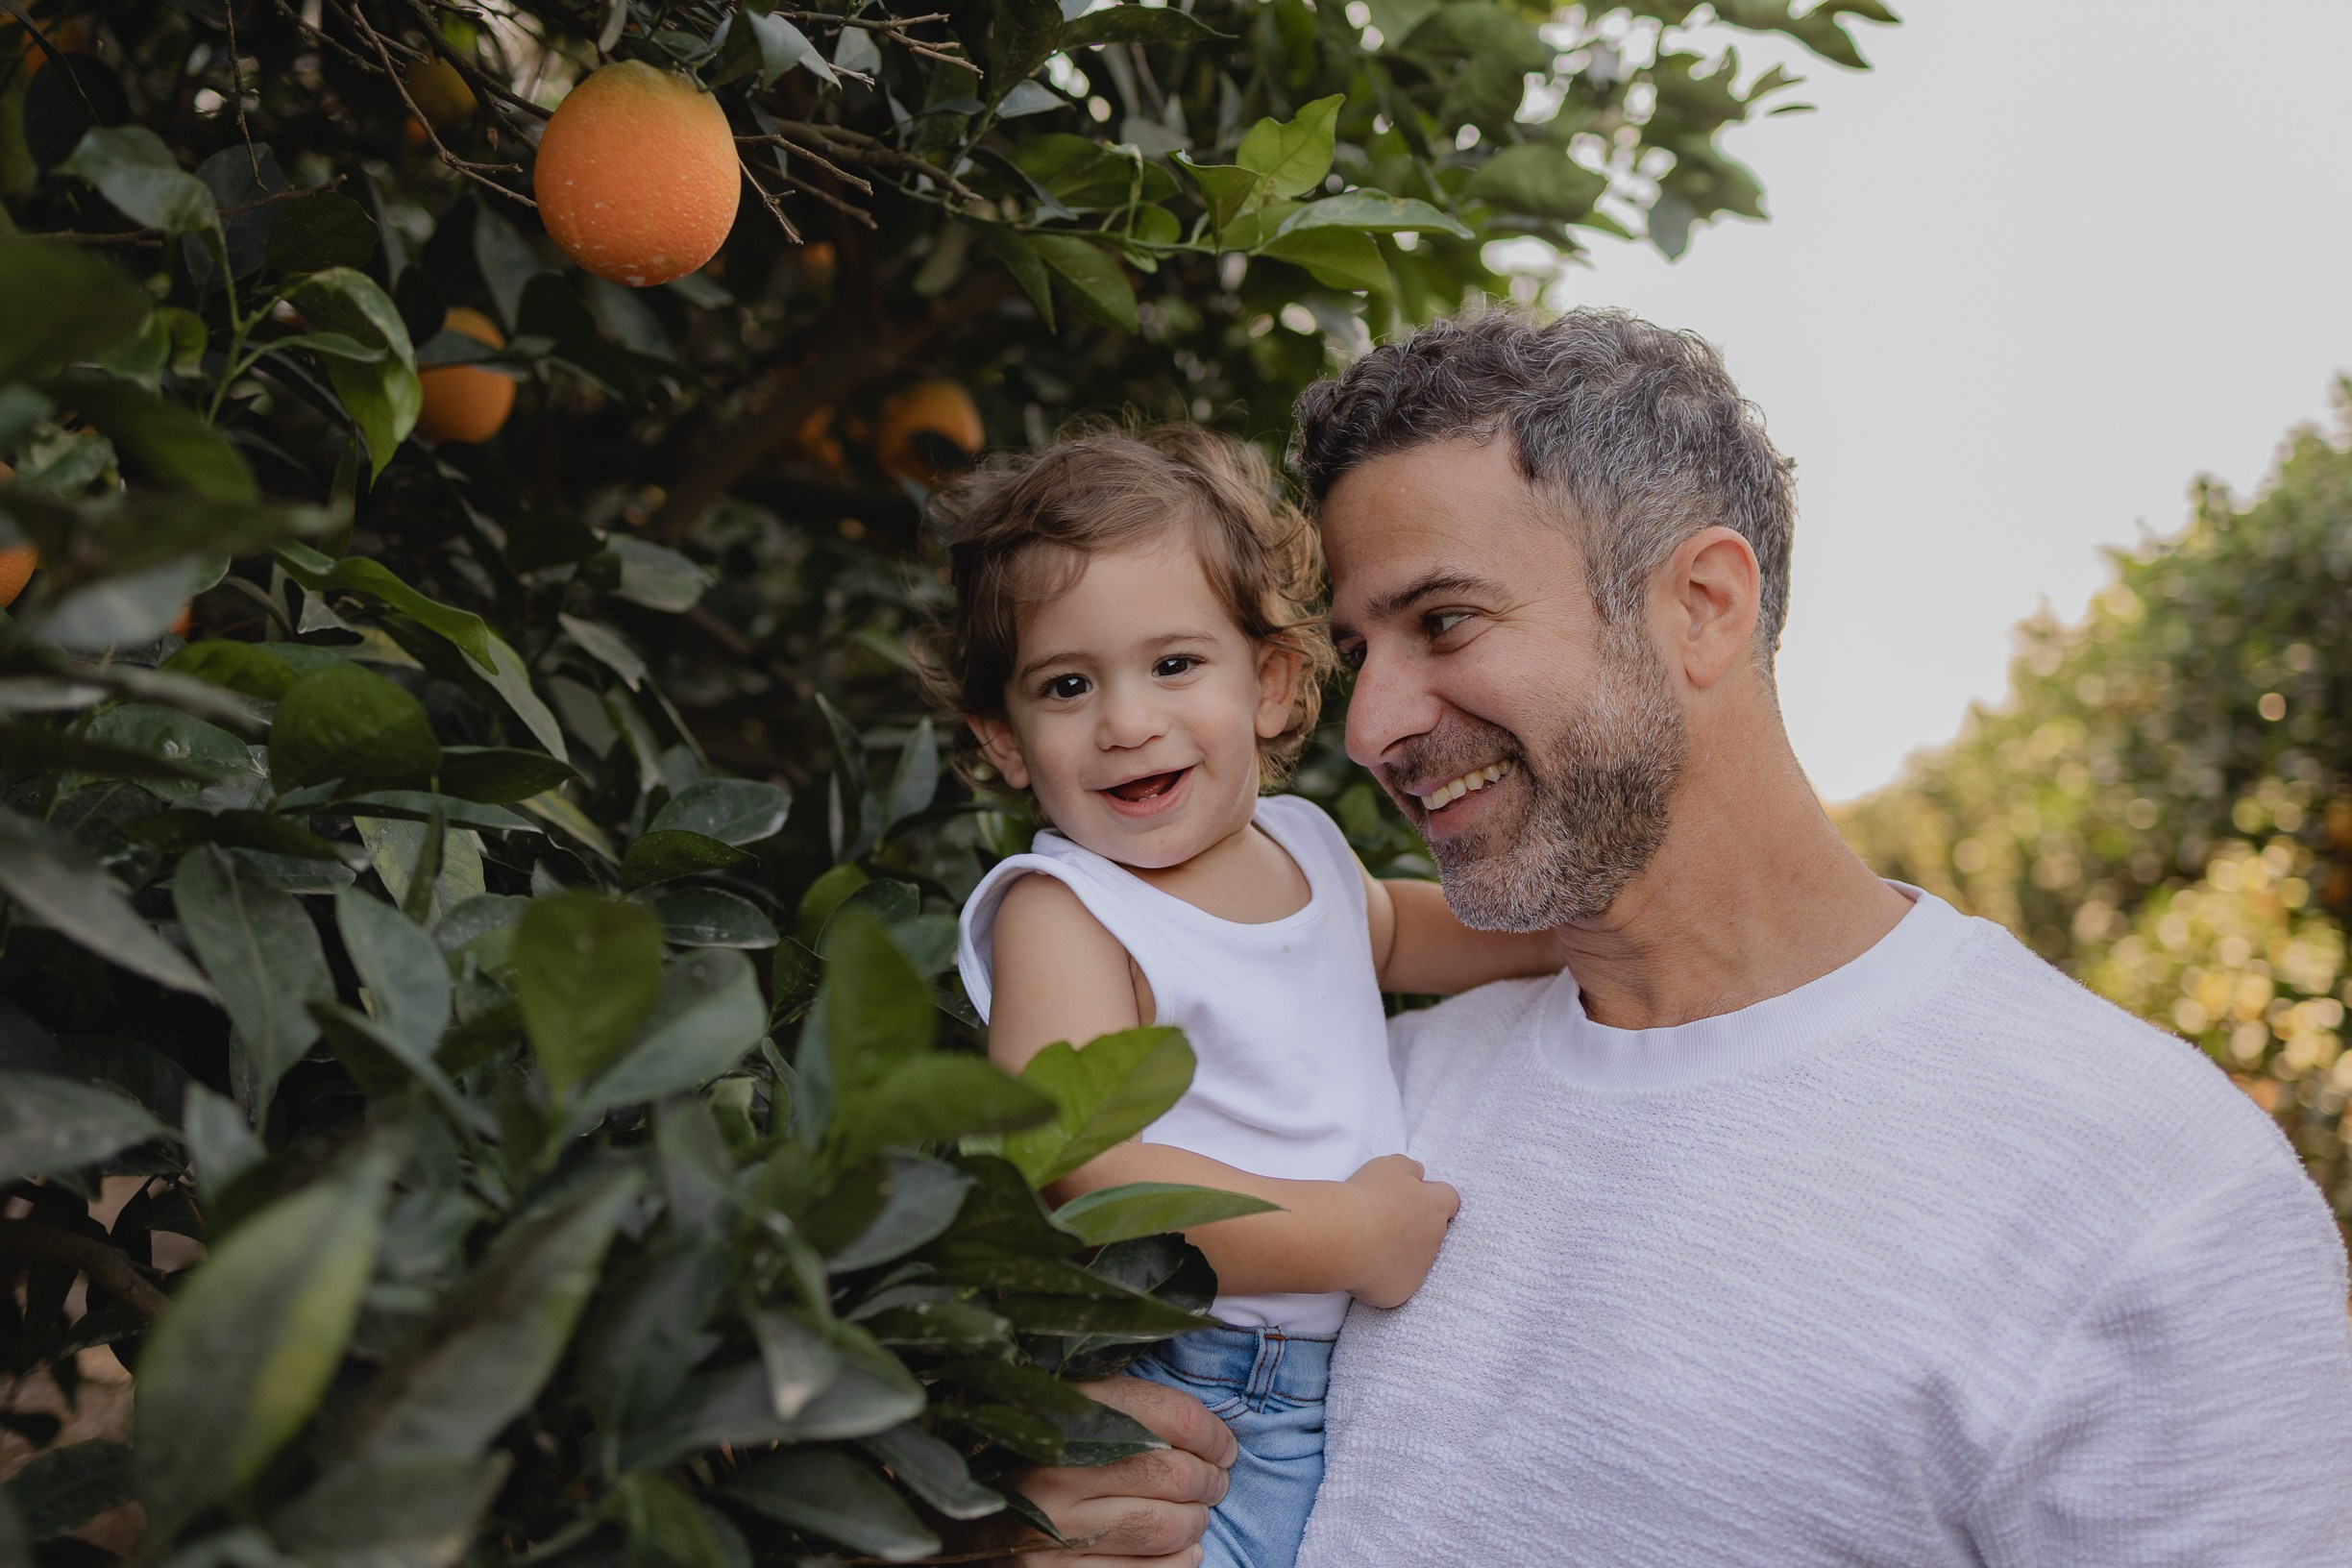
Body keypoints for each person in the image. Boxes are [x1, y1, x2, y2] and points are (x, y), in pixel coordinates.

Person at [1003, 310, 2352, 1567]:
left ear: (1702, 604)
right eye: (1361, 654)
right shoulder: (1375, 1094)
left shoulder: (2149, 1195)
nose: (1372, 729)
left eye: (1446, 622)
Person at [930, 425, 1556, 1568]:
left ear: (1268, 683)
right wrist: (1350, 1236)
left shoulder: (1306, 847)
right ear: (1003, 741)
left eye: (1174, 665)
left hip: (1323, 1380)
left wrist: (1555, 935)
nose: (1127, 722)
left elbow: (1403, 932)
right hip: (1185, 1375)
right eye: (1067, 686)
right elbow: (1082, 1167)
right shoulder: (1064, 909)